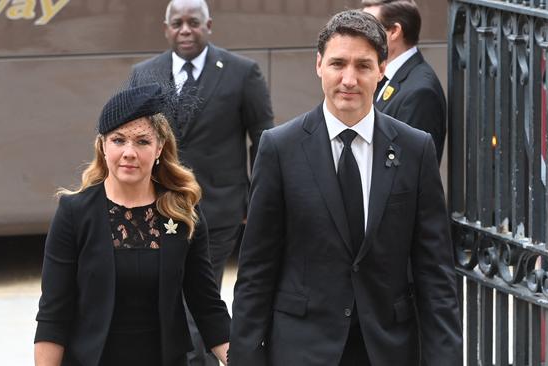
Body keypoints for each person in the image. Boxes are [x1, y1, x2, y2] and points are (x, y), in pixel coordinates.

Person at [230, 10, 461, 366]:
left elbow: (435, 273)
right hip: (302, 350)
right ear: (319, 64)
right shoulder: (279, 148)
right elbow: (256, 270)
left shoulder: (416, 150)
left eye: (363, 66)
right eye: (338, 63)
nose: (349, 79)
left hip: (388, 348)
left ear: (382, 69)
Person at [33, 83, 230, 366]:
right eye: (118, 140)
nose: (129, 152)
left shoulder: (183, 211)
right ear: (102, 145)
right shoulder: (74, 213)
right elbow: (54, 314)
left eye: (142, 141)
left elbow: (207, 306)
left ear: (159, 147)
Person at [129, 1, 273, 364]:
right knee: (170, 291)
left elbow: (264, 140)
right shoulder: (144, 74)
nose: (185, 30)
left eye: (193, 22)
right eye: (177, 23)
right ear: (166, 29)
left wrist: (257, 200)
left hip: (220, 208)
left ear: (209, 25)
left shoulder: (242, 72)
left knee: (199, 291)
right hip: (159, 206)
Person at [363, 0, 446, 163]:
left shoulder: (420, 93)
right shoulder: (387, 76)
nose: (361, 36)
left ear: (394, 31)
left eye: (368, 29)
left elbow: (405, 167)